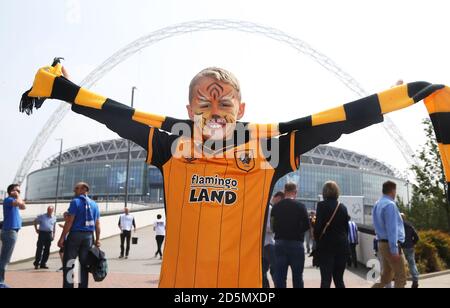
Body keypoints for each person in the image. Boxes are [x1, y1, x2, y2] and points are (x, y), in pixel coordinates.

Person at [21, 61, 450, 288]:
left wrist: (398, 97)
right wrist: (62, 89)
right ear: (188, 109)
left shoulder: (266, 149)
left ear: (241, 111)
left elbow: (334, 121)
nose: (214, 112)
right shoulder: (170, 146)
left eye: (224, 105)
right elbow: (114, 113)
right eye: (204, 105)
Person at [58, 182, 101, 289]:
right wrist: (98, 239)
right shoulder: (94, 204)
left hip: (75, 236)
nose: (74, 190)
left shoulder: (75, 202)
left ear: (84, 189)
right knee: (84, 265)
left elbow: (70, 222)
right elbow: (97, 224)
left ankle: (68, 286)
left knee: (69, 263)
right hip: (88, 237)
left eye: (77, 188)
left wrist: (62, 237)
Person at [271, 183, 310, 288]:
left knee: (280, 276)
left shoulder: (276, 207)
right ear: (295, 192)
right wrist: (297, 231)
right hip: (296, 244)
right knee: (297, 277)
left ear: (284, 191)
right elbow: (307, 225)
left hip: (280, 244)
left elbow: (272, 226)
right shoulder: (301, 206)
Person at [314, 181, 350, 288]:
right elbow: (346, 229)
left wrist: (317, 241)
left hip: (326, 247)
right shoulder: (342, 207)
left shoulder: (321, 206)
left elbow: (318, 228)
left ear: (324, 192)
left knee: (326, 280)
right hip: (342, 246)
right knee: (339, 280)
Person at [372, 181, 407, 288]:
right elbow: (392, 229)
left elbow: (379, 223)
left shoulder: (377, 204)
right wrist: (394, 249)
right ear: (393, 190)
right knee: (401, 277)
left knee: (386, 277)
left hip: (382, 243)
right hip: (390, 245)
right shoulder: (390, 205)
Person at [0, 184, 26, 288]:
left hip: (11, 232)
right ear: (11, 191)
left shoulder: (14, 201)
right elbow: (20, 203)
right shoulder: (8, 200)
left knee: (4, 258)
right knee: (4, 259)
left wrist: (17, 195)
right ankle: (0, 283)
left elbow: (23, 206)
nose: (19, 192)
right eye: (17, 190)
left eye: (20, 191)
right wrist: (17, 196)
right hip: (9, 232)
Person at [262, 191, 284, 288]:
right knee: (275, 269)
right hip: (269, 243)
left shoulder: (264, 208)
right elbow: (269, 227)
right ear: (277, 197)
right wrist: (277, 228)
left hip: (262, 244)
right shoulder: (270, 209)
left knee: (262, 270)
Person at [401, 213, 420, 288]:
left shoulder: (397, 225)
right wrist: (413, 243)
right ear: (405, 218)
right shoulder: (409, 225)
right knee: (412, 264)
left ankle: (402, 282)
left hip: (401, 248)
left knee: (401, 265)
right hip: (410, 248)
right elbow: (417, 237)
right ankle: (415, 280)